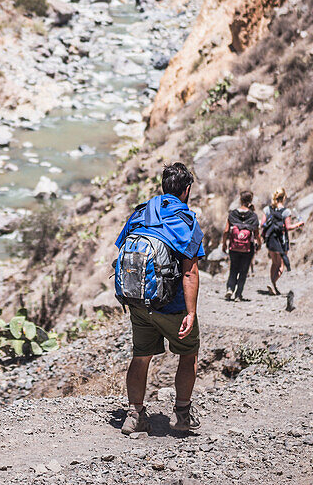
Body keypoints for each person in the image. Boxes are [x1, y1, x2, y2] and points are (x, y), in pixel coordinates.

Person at [115, 162, 204, 435]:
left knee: (141, 357)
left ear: (163, 187)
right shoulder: (186, 221)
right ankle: (181, 415)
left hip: (139, 302)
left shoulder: (140, 213)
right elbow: (189, 271)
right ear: (186, 190)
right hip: (172, 306)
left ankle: (134, 416)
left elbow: (122, 249)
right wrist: (190, 313)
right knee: (188, 354)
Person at [261, 188, 304, 295]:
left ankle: (273, 285)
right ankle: (273, 282)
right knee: (281, 264)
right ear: (284, 198)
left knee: (274, 263)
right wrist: (298, 224)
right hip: (281, 240)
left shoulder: (267, 209)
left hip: (270, 240)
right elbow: (288, 227)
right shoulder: (286, 212)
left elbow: (262, 224)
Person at [223, 191, 260, 302]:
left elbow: (226, 231)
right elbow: (257, 234)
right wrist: (259, 244)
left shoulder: (233, 214)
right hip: (248, 248)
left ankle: (230, 288)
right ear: (251, 200)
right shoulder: (253, 216)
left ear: (240, 199)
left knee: (233, 268)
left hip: (234, 246)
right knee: (244, 271)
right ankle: (238, 295)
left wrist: (224, 243)